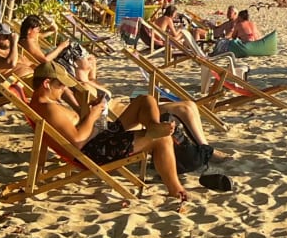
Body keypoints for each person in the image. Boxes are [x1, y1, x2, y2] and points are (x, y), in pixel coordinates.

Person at [26, 61, 189, 202]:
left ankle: (153, 125)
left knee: (144, 100)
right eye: (59, 85)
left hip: (99, 137)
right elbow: (77, 141)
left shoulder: (42, 104)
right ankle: (176, 190)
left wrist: (93, 116)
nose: (63, 90)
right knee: (161, 140)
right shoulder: (48, 108)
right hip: (97, 150)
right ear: (46, 83)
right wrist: (93, 115)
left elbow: (72, 133)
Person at [67, 47, 220, 171]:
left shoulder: (88, 82)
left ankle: (206, 148)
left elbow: (95, 85)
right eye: (84, 56)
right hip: (124, 119)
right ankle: (208, 152)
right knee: (185, 109)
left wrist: (91, 71)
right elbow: (88, 112)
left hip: (128, 112)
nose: (89, 57)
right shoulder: (81, 88)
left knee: (190, 105)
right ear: (74, 63)